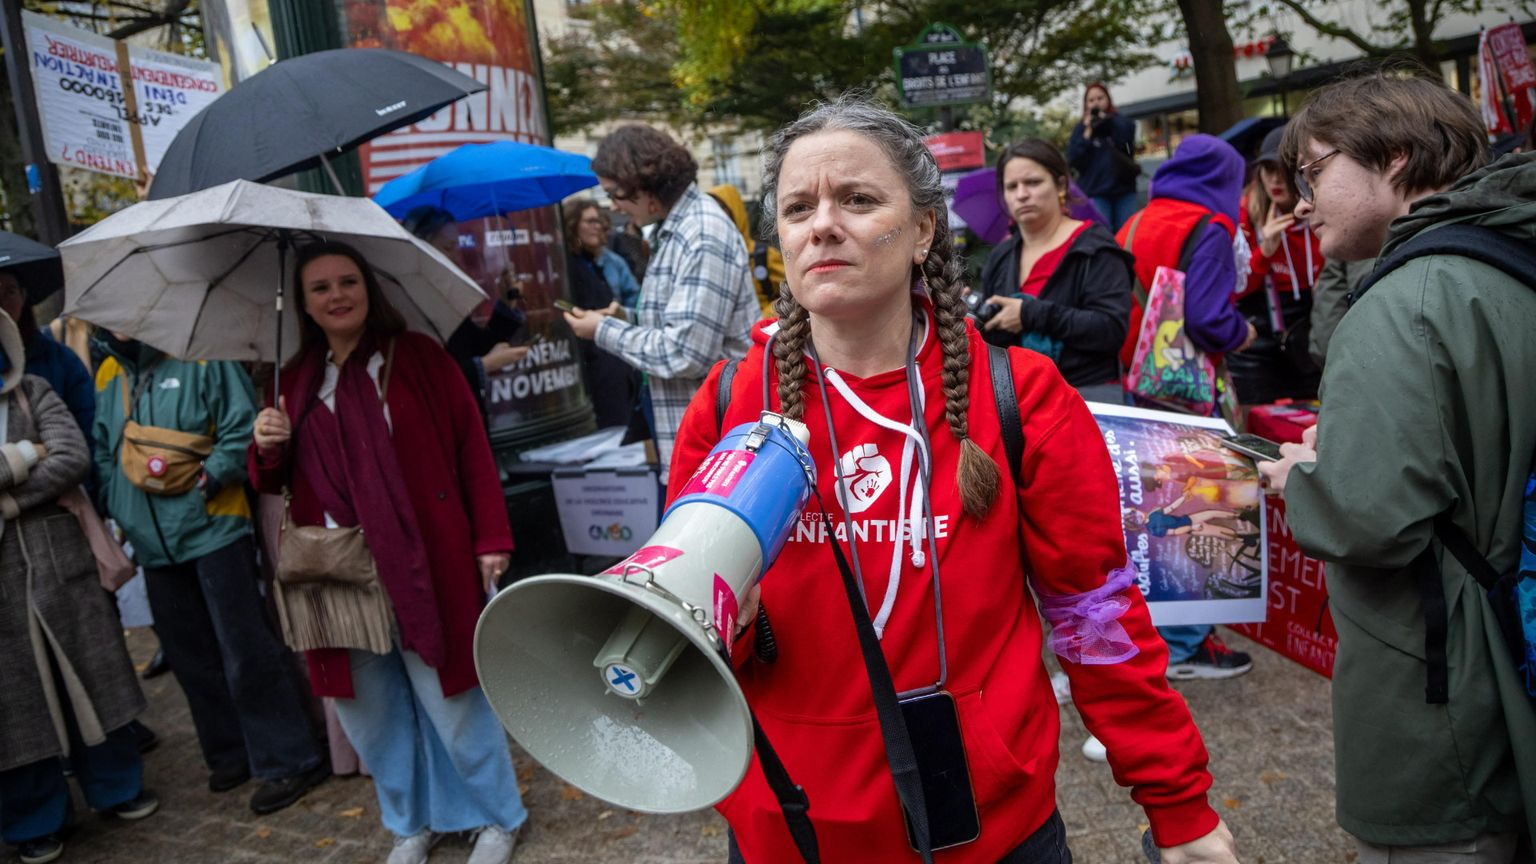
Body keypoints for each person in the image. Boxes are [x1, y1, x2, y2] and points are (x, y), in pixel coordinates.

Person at [669, 96, 1238, 864]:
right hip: (789, 831)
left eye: (858, 199)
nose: (822, 224)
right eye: (797, 207)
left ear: (924, 230)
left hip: (992, 833)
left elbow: (1094, 615)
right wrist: (717, 621)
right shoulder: (733, 399)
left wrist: (1180, 807)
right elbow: (683, 632)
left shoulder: (1024, 394)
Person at [1258, 70, 1536, 862]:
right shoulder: (1501, 258)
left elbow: (1370, 516)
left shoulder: (1403, 301)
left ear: (1397, 159)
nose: (1301, 202)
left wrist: (1302, 479)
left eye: (1313, 171)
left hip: (1443, 689)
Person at [249, 241, 526, 864]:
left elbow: (470, 450)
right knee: (370, 715)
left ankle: (496, 816)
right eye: (320, 288)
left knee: (453, 701)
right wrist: (267, 443)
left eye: (348, 281)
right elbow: (272, 481)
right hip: (333, 575)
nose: (337, 295)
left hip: (423, 563)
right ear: (303, 303)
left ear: (370, 288)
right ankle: (410, 824)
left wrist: (490, 540)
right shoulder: (292, 379)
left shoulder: (419, 359)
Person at [93, 330, 327, 815]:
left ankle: (291, 757)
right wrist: (117, 501)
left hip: (214, 528)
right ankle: (230, 752)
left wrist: (212, 476)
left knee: (245, 649)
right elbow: (102, 448)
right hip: (153, 545)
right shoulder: (110, 372)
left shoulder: (204, 357)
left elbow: (241, 427)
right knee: (190, 657)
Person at [0, 310, 159, 864]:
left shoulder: (34, 391)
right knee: (13, 700)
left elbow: (70, 457)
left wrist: (11, 494)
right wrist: (22, 458)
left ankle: (118, 788)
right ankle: (33, 818)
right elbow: (47, 462)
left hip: (59, 558)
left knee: (94, 673)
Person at [1116, 133, 1257, 680]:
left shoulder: (1135, 221)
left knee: (1158, 505)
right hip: (1190, 390)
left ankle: (1159, 630)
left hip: (1139, 381)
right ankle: (1188, 643)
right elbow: (1205, 317)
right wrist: (1240, 331)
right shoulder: (1211, 227)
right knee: (1205, 503)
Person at [568, 124, 758, 482]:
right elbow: (685, 321)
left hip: (715, 452)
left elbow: (684, 352)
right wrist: (627, 316)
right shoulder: (681, 228)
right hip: (698, 444)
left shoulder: (701, 231)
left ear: (645, 188)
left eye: (616, 194)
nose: (613, 206)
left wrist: (604, 329)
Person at [977, 139, 1134, 401]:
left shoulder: (1094, 247)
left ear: (1061, 185)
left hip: (1085, 398)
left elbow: (1111, 329)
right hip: (1019, 402)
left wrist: (1030, 313)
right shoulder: (1001, 256)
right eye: (1011, 186)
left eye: (1033, 183)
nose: (1022, 194)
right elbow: (993, 344)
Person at [400, 206, 527, 417]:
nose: (456, 257)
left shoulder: (444, 297)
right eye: (448, 248)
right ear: (420, 248)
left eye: (457, 247)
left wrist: (506, 304)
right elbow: (430, 379)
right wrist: (484, 365)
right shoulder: (406, 304)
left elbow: (479, 346)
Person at [1228, 125, 1324, 404]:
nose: (1274, 179)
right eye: (1267, 169)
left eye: (1281, 168)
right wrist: (1264, 251)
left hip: (1310, 334)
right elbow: (1237, 290)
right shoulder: (1245, 214)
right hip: (1259, 342)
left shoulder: (1320, 210)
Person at [564, 200, 641, 427]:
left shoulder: (612, 261)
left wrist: (620, 312)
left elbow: (634, 298)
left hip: (614, 349)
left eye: (599, 221)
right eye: (589, 221)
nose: (597, 226)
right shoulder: (568, 263)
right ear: (573, 225)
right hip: (586, 356)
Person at [1066, 82, 1139, 231]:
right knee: (1103, 235)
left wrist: (1107, 121)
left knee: (1129, 233)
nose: (1096, 103)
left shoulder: (1119, 121)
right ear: (1085, 104)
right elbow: (1074, 159)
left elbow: (1126, 139)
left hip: (1124, 190)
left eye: (1100, 98)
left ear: (1108, 99)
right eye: (1091, 100)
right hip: (1095, 192)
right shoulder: (1081, 128)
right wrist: (1088, 130)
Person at [708, 183, 785, 317]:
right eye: (710, 208)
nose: (715, 214)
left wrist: (767, 315)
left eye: (720, 207)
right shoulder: (711, 259)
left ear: (734, 208)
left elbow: (797, 292)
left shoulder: (763, 256)